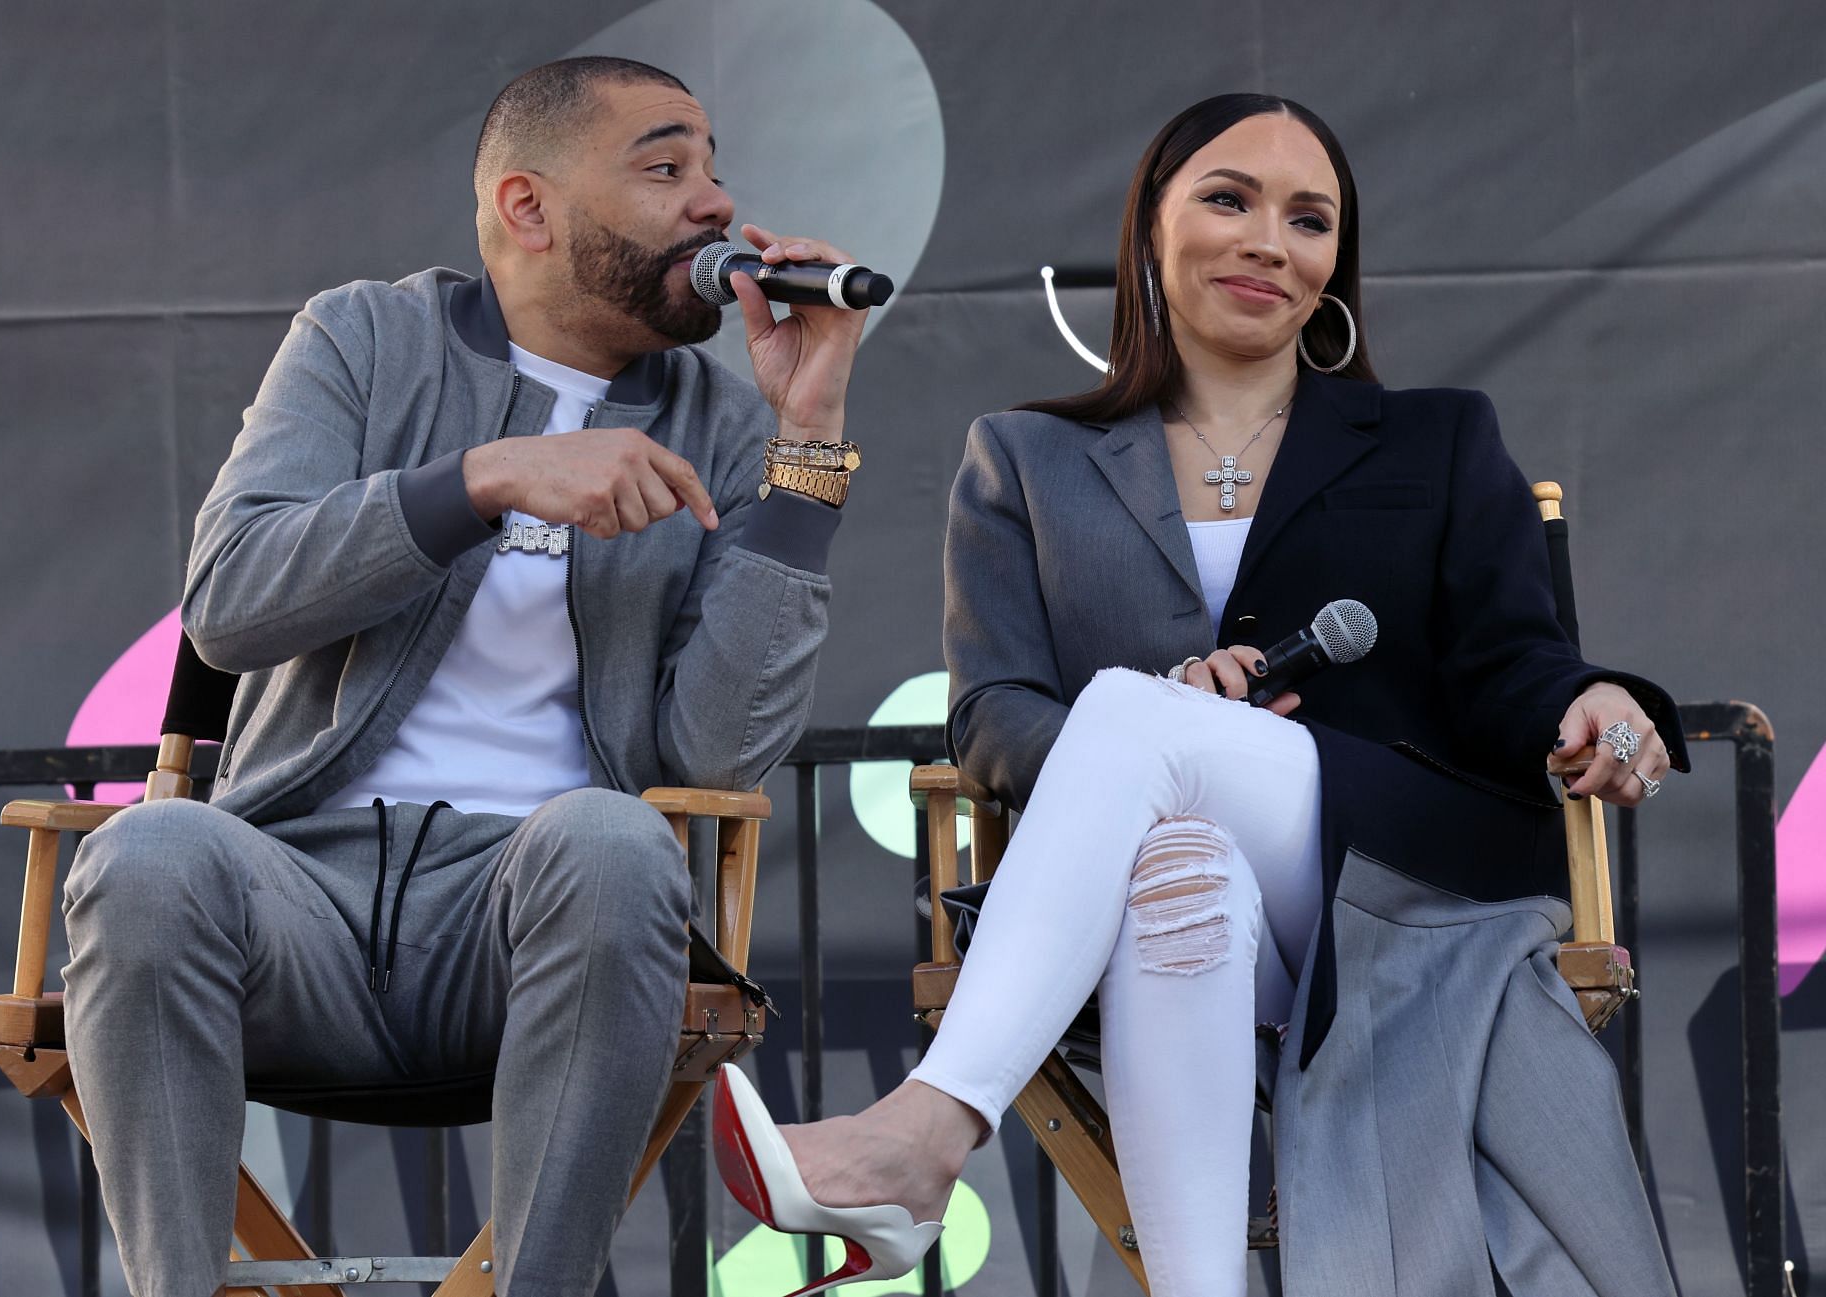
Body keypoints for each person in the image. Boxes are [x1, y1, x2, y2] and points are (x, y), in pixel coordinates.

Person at [713, 94, 1686, 1296]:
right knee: (1184, 864)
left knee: (1136, 719)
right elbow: (995, 713)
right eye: (1229, 199)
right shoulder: (1026, 456)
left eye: (1310, 219)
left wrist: (1593, 694)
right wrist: (1169, 724)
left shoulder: (1436, 437)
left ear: (1337, 264)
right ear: (1149, 233)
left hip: (1412, 880)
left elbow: (1511, 668)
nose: (1270, 240)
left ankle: (927, 1133)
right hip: (1155, 895)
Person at [61, 56, 870, 1297]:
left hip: (537, 921)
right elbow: (230, 603)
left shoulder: (716, 419)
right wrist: (479, 482)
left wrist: (804, 448)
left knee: (611, 842)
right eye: (665, 168)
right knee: (149, 855)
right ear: (527, 207)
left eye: (714, 170)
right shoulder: (366, 338)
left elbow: (716, 754)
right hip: (298, 909)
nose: (713, 203)